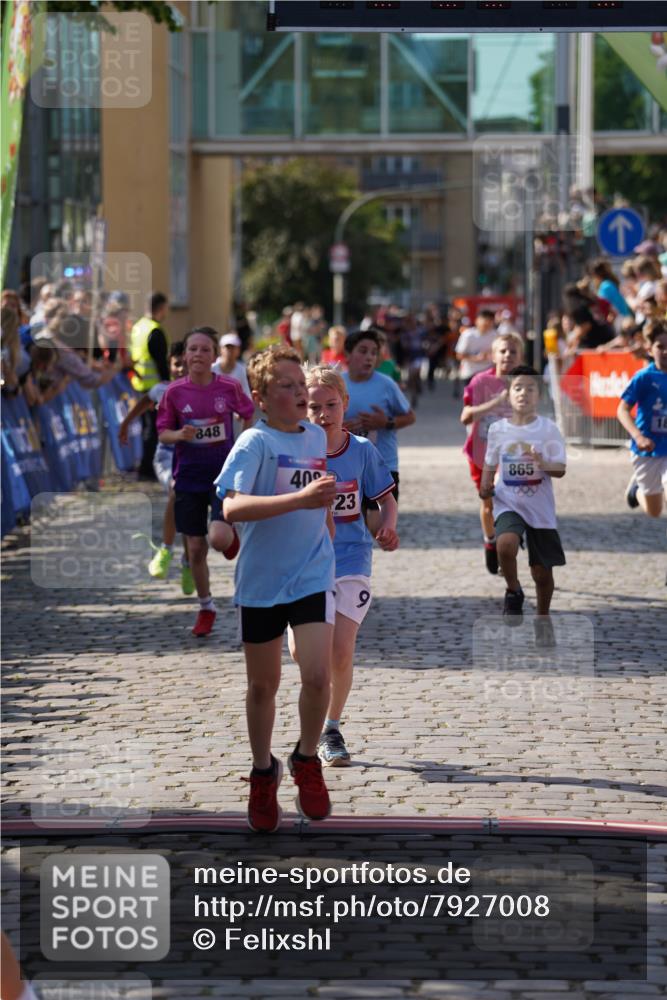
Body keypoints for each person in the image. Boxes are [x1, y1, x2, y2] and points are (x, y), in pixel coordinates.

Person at [215, 345, 338, 833]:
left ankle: (307, 758)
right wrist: (300, 499)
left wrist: (323, 518)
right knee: (263, 686)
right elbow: (232, 509)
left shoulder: (314, 435)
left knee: (317, 675)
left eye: (300, 383)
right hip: (263, 581)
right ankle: (263, 772)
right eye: (286, 386)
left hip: (312, 572)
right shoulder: (253, 443)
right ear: (261, 397)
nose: (299, 393)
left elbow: (321, 492)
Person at [302, 365, 399, 766]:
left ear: (345, 404)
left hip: (351, 557)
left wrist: (388, 526)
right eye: (314, 407)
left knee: (340, 652)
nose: (323, 414)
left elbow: (384, 500)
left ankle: (331, 728)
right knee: (304, 655)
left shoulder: (361, 450)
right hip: (303, 561)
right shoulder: (294, 450)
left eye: (331, 405)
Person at [156, 326, 255, 637]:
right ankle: (206, 607)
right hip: (187, 477)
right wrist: (180, 435)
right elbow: (163, 433)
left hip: (221, 476)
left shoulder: (228, 386)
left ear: (214, 356)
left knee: (217, 539)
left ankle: (229, 536)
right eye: (192, 349)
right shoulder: (174, 393)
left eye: (204, 349)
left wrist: (243, 445)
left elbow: (248, 413)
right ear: (185, 355)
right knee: (196, 549)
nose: (198, 354)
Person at [479, 365, 567, 647]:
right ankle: (514, 590)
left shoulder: (548, 429)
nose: (523, 394)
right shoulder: (497, 429)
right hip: (508, 502)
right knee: (505, 545)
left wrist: (542, 464)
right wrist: (485, 487)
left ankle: (543, 617)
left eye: (530, 388)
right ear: (508, 394)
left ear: (538, 395)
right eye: (518, 388)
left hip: (540, 508)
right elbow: (490, 462)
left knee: (542, 573)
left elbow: (560, 469)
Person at [119, 342, 194, 593]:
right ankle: (166, 549)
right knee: (176, 492)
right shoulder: (161, 390)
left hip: (193, 456)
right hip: (166, 455)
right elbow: (141, 405)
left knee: (190, 508)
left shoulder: (201, 391)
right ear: (170, 366)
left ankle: (188, 563)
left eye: (185, 363)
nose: (181, 368)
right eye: (177, 363)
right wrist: (124, 425)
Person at [460, 332, 524, 575]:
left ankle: (509, 538)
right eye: (503, 351)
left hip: (512, 456)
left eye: (513, 352)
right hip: (481, 453)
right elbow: (465, 416)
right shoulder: (479, 382)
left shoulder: (524, 382)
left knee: (505, 495)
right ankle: (490, 540)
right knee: (487, 503)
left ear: (520, 356)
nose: (507, 355)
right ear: (494, 355)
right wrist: (496, 402)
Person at [342, 328, 415, 506]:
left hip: (383, 465)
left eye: (374, 353)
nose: (369, 357)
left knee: (383, 529)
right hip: (346, 466)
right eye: (363, 351)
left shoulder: (386, 384)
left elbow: (410, 417)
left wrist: (386, 422)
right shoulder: (336, 384)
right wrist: (339, 429)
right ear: (348, 354)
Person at [617, 320, 667, 518]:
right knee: (654, 511)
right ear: (649, 348)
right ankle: (636, 490)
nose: (665, 352)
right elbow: (622, 410)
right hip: (647, 449)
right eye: (660, 347)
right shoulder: (644, 377)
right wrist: (638, 437)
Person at [130, 291, 170, 479]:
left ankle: (144, 466)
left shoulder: (138, 327)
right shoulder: (155, 330)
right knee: (153, 429)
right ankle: (147, 468)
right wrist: (168, 383)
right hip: (154, 387)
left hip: (138, 383)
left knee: (145, 428)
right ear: (161, 308)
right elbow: (161, 362)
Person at [454, 308, 496, 391]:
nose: (487, 324)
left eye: (490, 321)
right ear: (477, 321)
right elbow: (459, 355)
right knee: (472, 400)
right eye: (485, 321)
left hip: (488, 373)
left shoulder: (495, 335)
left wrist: (490, 355)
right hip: (470, 373)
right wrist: (476, 358)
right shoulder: (468, 335)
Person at [213, 331, 251, 395]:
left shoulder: (243, 370)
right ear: (220, 349)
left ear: (238, 350)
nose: (230, 350)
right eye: (227, 347)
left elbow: (246, 394)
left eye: (233, 347)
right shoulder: (211, 369)